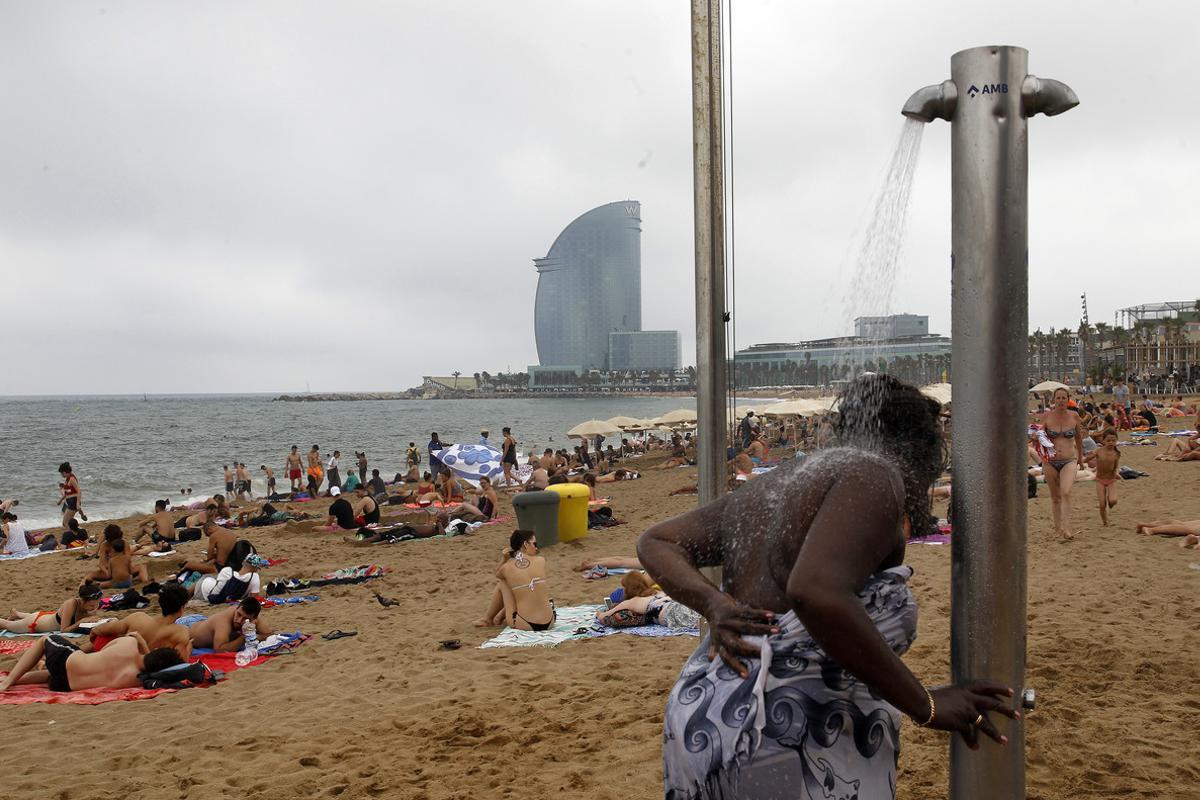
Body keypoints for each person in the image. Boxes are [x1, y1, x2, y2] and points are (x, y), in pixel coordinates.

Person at [637, 375, 1016, 798]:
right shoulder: (874, 474)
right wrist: (925, 705)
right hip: (781, 734)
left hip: (704, 714)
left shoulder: (777, 483)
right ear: (916, 446)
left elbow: (657, 541)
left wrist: (714, 604)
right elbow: (816, 591)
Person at [0, 631, 182, 694]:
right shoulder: (136, 680)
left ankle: (8, 681)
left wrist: (141, 642)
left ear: (155, 650)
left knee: (45, 640)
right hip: (64, 685)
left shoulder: (129, 643)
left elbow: (103, 651)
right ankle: (14, 680)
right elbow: (151, 665)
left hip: (67, 661)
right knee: (49, 674)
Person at [86, 582, 192, 659]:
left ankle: (79, 652)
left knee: (110, 630)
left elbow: (100, 630)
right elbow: (182, 663)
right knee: (187, 645)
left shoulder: (138, 618)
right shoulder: (180, 632)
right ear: (181, 608)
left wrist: (94, 636)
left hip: (123, 660)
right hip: (142, 667)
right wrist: (189, 646)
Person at [474, 530, 556, 630]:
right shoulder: (541, 560)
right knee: (526, 588)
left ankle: (488, 619)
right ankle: (499, 617)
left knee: (504, 583)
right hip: (550, 622)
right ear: (525, 544)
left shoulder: (507, 567)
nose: (536, 547)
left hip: (526, 623)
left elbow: (498, 574)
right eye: (535, 544)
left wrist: (504, 559)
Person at [1041, 387, 1087, 540]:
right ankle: (1057, 527)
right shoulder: (1046, 416)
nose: (1061, 401)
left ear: (1068, 400)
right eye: (1058, 398)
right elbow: (1038, 435)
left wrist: (1080, 458)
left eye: (1063, 398)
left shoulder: (1074, 416)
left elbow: (1079, 438)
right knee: (1055, 497)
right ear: (1053, 400)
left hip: (1069, 460)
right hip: (1050, 461)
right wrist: (1035, 436)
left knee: (1066, 492)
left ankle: (1067, 528)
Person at [2, 583, 102, 634]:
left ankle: (17, 614)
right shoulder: (71, 604)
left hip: (46, 617)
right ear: (82, 600)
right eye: (92, 606)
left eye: (96, 605)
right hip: (35, 623)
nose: (94, 608)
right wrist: (81, 622)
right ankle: (17, 615)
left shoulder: (89, 605)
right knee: (7, 624)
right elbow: (64, 630)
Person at [188, 597, 271, 651]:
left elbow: (268, 634)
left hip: (206, 621)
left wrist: (254, 635)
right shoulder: (223, 621)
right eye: (238, 614)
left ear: (253, 619)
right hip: (189, 626)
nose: (239, 620)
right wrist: (244, 637)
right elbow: (219, 650)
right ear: (236, 608)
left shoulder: (253, 615)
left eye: (245, 618)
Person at [1083, 428, 1122, 526]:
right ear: (1103, 441)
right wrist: (1080, 461)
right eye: (1108, 440)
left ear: (1116, 440)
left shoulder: (1116, 453)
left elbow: (1116, 466)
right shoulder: (1099, 451)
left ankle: (1110, 503)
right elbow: (1087, 458)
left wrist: (1117, 473)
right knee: (1102, 504)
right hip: (1100, 480)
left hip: (1111, 479)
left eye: (1113, 440)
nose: (1111, 442)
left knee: (1113, 501)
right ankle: (1105, 522)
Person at [58, 462, 83, 528]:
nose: (61, 475)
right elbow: (67, 493)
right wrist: (60, 500)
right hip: (70, 502)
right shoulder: (67, 479)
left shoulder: (72, 479)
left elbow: (79, 491)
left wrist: (77, 504)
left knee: (65, 523)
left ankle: (79, 533)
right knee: (68, 523)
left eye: (61, 473)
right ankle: (80, 532)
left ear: (64, 472)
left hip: (73, 502)